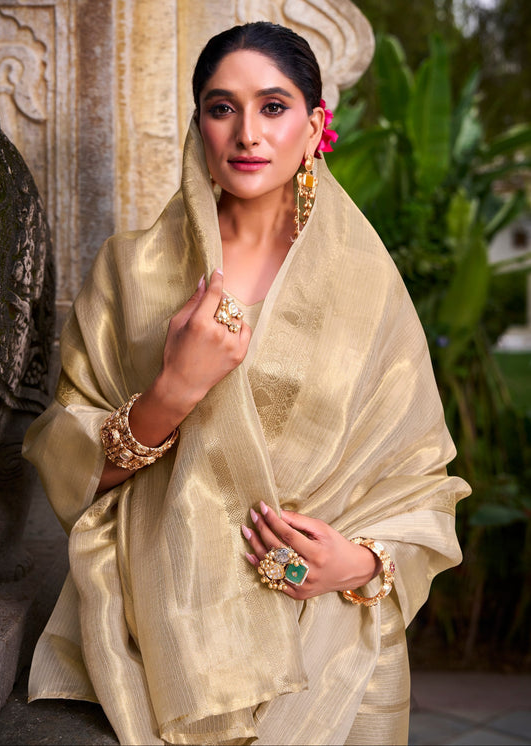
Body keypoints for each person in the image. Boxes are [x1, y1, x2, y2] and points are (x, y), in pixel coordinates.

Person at [23, 21, 470, 746]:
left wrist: (356, 563)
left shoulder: (365, 286)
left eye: (273, 106)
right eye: (222, 107)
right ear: (198, 123)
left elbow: (420, 479)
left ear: (313, 127)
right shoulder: (131, 272)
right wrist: (175, 389)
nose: (246, 133)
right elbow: (67, 467)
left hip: (327, 641)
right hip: (158, 627)